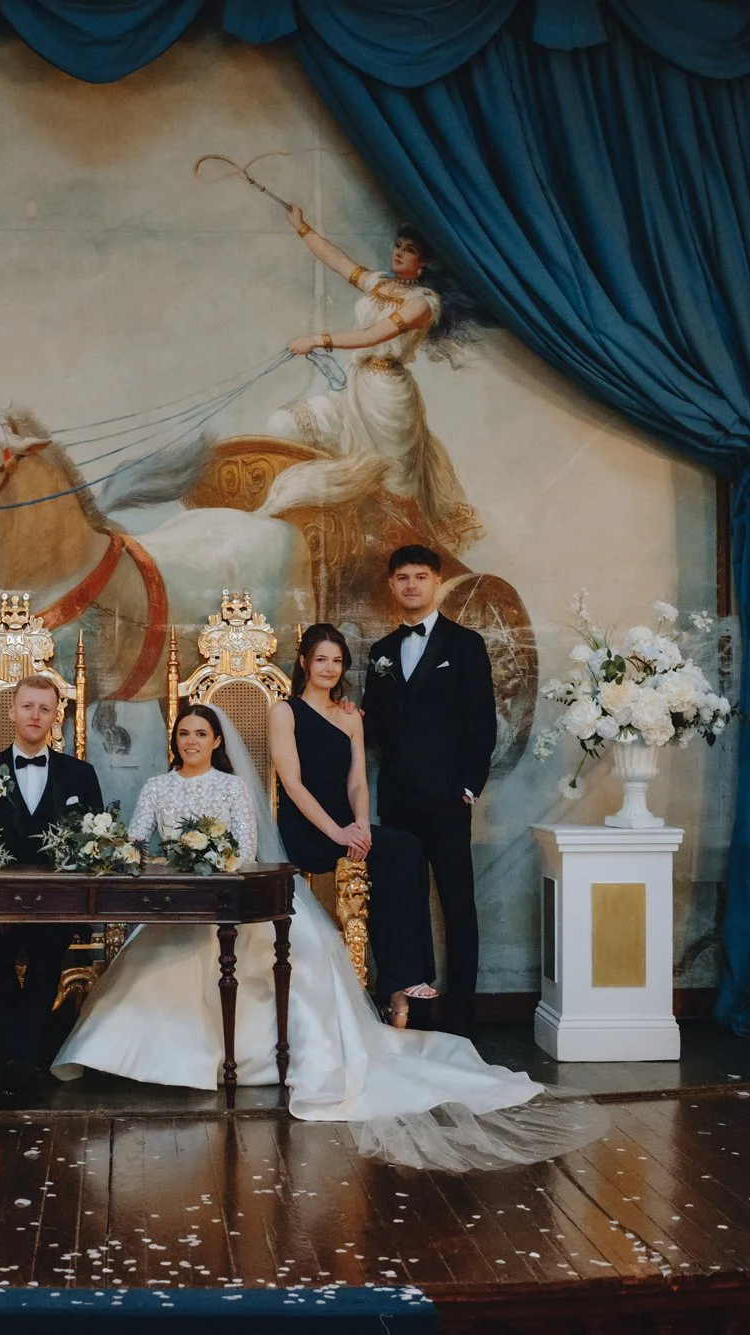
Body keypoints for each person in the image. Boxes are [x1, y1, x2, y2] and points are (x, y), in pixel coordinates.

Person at [53, 702, 603, 1174]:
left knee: (293, 953)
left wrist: (211, 864)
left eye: (201, 733)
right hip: (178, 900)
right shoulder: (156, 787)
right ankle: (140, 1058)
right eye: (184, 734)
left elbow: (246, 849)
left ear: (217, 740)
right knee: (150, 965)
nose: (192, 741)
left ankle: (260, 1060)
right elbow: (137, 841)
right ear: (175, 741)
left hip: (231, 894)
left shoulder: (231, 788)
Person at [263, 209, 481, 554]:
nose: (398, 253)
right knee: (284, 423)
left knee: (393, 489)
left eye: (408, 249)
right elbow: (336, 260)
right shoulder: (381, 284)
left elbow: (376, 334)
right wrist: (301, 227)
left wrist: (318, 339)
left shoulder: (423, 303)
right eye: (398, 245)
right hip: (355, 387)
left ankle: (394, 559)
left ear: (422, 261)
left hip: (389, 400)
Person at [361, 545, 497, 1035]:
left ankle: (461, 1017)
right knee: (406, 905)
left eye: (420, 576)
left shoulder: (465, 645)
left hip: (447, 799)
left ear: (436, 583)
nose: (412, 585)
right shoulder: (380, 652)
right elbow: (372, 727)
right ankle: (412, 1012)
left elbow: (482, 724)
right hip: (397, 800)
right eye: (402, 577)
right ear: (392, 586)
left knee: (458, 905)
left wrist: (468, 788)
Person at [272, 624, 436, 1026]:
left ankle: (402, 983)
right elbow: (291, 784)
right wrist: (339, 832)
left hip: (347, 826)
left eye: (337, 661)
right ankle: (399, 985)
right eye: (322, 659)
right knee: (394, 853)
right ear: (305, 662)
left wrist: (361, 825)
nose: (329, 668)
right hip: (305, 829)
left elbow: (358, 781)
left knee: (406, 849)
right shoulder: (284, 711)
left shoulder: (349, 717)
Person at [0, 675, 105, 1100]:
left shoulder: (80, 774)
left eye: (44, 708)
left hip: (56, 907)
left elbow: (93, 844)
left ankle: (15, 1061)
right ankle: (22, 1060)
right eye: (27, 706)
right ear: (12, 712)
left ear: (55, 716)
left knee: (47, 957)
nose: (35, 715)